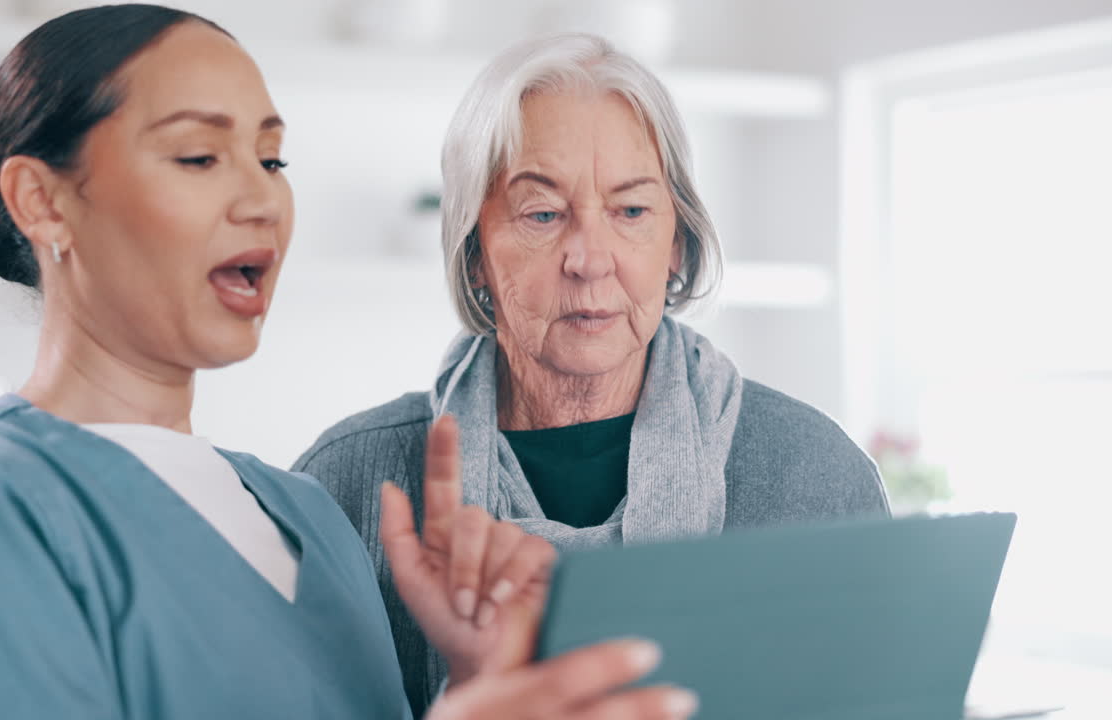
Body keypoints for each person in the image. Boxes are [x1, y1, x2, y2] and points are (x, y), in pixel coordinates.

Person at [0, 8, 699, 719]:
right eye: (197, 157)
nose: (261, 199)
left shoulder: (309, 514)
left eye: (272, 161)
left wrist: (472, 677)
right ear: (43, 202)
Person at [295, 32, 892, 714]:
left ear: (677, 245)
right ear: (474, 256)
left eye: (631, 211)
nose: (589, 258)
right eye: (542, 214)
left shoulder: (815, 475)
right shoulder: (345, 486)